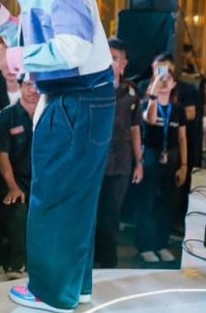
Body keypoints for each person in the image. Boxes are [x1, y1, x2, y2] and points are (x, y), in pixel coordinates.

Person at [0, 0, 115, 312]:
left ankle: (51, 293)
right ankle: (73, 287)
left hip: (74, 100)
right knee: (74, 199)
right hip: (84, 101)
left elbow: (72, 49)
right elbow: (34, 38)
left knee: (53, 195)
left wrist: (7, 58)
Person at [93, 38, 144, 269]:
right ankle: (88, 261)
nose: (109, 62)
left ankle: (107, 262)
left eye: (114, 58)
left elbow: (135, 128)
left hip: (121, 162)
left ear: (123, 64)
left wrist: (139, 161)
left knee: (111, 216)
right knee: (91, 214)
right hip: (94, 163)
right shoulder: (91, 89)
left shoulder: (131, 92)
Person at [137, 57, 188, 264]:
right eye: (161, 77)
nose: (165, 81)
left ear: (175, 83)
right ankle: (146, 246)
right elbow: (149, 119)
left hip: (172, 157)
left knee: (168, 203)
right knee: (147, 202)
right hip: (151, 155)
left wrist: (184, 165)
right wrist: (154, 92)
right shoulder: (147, 103)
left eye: (169, 78)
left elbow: (183, 138)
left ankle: (161, 244)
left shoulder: (179, 110)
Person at [0, 78, 39, 278]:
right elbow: (2, 155)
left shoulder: (48, 113)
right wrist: (13, 187)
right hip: (13, 178)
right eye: (28, 84)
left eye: (37, 84)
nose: (33, 89)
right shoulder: (7, 116)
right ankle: (16, 265)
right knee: (18, 212)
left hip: (42, 180)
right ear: (19, 87)